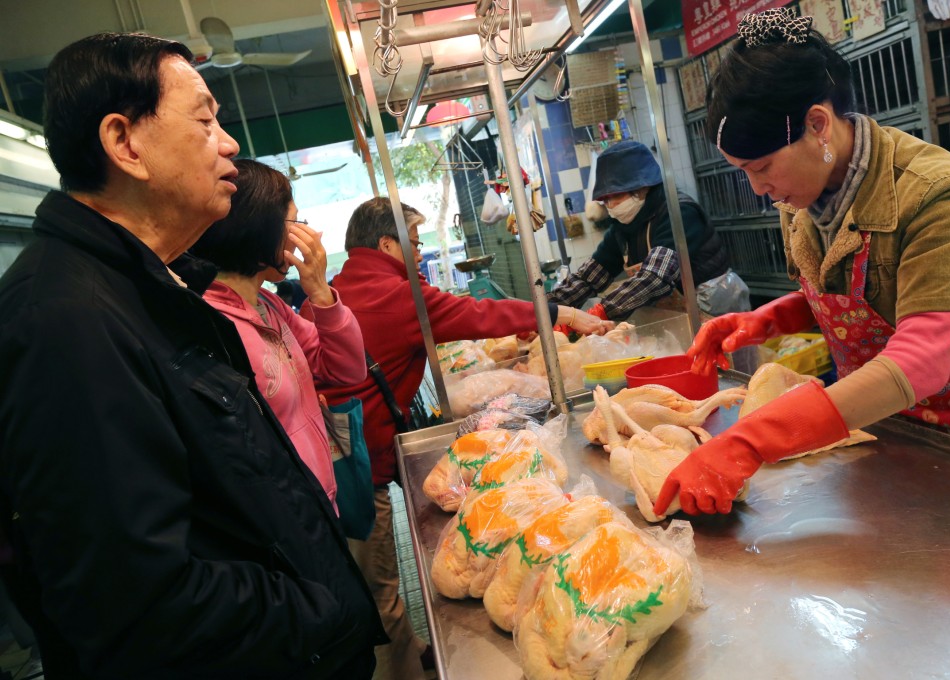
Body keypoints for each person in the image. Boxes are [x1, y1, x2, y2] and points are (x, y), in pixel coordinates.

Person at [0, 33, 384, 677]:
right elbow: (134, 600)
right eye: (205, 121)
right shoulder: (65, 320)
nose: (230, 143)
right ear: (126, 144)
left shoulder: (159, 283)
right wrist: (318, 610)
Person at [654, 8, 950, 518]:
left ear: (818, 124)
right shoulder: (801, 198)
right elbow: (854, 295)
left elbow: (920, 360)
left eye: (761, 167)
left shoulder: (937, 191)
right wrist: (768, 320)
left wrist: (750, 443)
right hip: (887, 427)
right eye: (743, 173)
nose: (758, 189)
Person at [311, 196, 613, 680]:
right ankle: (403, 671)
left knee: (369, 583)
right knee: (381, 590)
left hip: (337, 457)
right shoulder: (393, 293)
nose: (419, 249)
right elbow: (478, 314)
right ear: (387, 244)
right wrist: (563, 314)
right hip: (357, 465)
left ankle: (409, 656)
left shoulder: (345, 286)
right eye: (412, 241)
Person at [189, 159, 367, 514]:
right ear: (261, 228)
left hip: (320, 501)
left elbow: (347, 370)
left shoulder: (269, 305)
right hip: (289, 520)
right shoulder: (211, 324)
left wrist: (321, 294)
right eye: (296, 222)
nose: (308, 235)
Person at [547, 140, 732, 320]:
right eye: (605, 199)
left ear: (644, 186)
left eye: (617, 195)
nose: (611, 205)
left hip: (713, 309)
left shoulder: (678, 212)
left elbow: (655, 278)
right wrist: (547, 309)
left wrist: (600, 311)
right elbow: (589, 278)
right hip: (678, 317)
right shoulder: (623, 227)